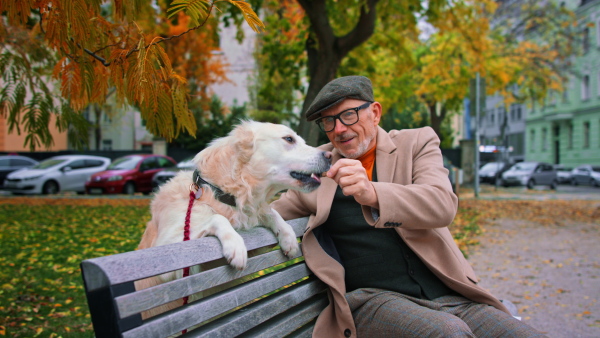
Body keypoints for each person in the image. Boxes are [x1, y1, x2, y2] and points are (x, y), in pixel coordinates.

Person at [271, 75, 545, 337]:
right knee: (448, 332)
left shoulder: (416, 143)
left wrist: (373, 192)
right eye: (328, 121)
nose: (339, 129)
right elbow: (263, 212)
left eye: (348, 115)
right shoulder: (318, 168)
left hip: (450, 295)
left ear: (375, 113)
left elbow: (442, 205)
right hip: (372, 301)